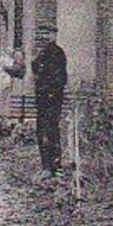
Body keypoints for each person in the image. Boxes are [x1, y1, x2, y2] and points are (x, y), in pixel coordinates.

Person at [31, 29, 68, 175]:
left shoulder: (57, 53)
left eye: (47, 34)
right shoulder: (41, 53)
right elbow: (37, 72)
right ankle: (47, 165)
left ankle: (54, 165)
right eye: (41, 34)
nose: (43, 37)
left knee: (51, 130)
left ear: (54, 35)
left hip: (51, 97)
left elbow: (59, 77)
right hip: (43, 97)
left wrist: (51, 92)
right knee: (42, 130)